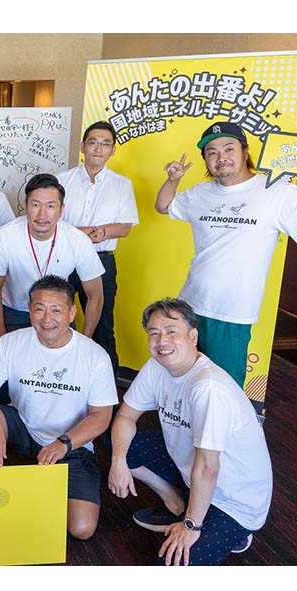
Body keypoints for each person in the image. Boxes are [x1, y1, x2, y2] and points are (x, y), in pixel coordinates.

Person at [108, 298, 272, 565]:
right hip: (191, 471)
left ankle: (224, 529)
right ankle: (176, 502)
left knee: (172, 565)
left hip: (233, 501)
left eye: (171, 331)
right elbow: (126, 416)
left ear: (193, 336)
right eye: (154, 333)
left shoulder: (207, 388)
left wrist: (191, 526)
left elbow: (209, 467)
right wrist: (118, 460)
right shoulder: (157, 367)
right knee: (115, 437)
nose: (162, 341)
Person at [0, 275, 117, 540]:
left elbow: (101, 417)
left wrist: (63, 443)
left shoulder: (94, 356)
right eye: (40, 309)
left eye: (56, 310)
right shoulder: (11, 343)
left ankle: (41, 483)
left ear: (71, 313)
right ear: (29, 310)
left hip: (71, 443)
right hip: (23, 425)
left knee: (82, 529)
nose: (47, 319)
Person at [154, 121, 297, 388]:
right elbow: (163, 206)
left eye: (228, 148)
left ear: (245, 152)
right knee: (181, 379)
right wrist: (173, 180)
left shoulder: (277, 192)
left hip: (231, 314)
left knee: (223, 388)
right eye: (212, 152)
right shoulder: (199, 193)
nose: (221, 157)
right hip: (189, 305)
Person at [58, 121, 139, 375]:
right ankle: (61, 376)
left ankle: (106, 385)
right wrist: (79, 233)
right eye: (93, 142)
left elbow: (125, 227)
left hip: (101, 260)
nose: (98, 148)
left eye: (105, 144)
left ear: (112, 150)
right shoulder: (62, 181)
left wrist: (103, 231)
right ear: (83, 146)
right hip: (64, 258)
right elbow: (50, 221)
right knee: (57, 319)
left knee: (103, 326)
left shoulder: (122, 184)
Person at [0, 173, 105, 340]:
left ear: (61, 209)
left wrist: (86, 340)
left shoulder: (78, 240)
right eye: (36, 205)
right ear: (25, 205)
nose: (42, 215)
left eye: (50, 206)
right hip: (16, 312)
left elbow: (95, 295)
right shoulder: (4, 236)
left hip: (58, 312)